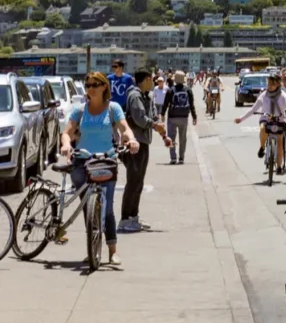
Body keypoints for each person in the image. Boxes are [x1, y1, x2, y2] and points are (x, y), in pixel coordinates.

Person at [59, 71, 141, 266]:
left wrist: (132, 139)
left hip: (105, 161)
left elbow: (124, 128)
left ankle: (112, 250)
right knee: (88, 207)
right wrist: (66, 144)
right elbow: (67, 132)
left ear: (104, 86)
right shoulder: (80, 110)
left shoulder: (113, 108)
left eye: (95, 85)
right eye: (88, 85)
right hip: (82, 162)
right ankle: (92, 247)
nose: (91, 89)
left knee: (107, 208)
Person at [120, 71, 171, 233]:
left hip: (143, 143)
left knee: (139, 182)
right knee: (133, 181)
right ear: (146, 80)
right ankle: (125, 219)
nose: (153, 82)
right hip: (134, 143)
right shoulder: (135, 96)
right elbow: (140, 119)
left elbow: (153, 117)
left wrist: (164, 136)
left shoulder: (146, 96)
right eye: (152, 79)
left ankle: (133, 216)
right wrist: (155, 126)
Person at [235, 73, 286, 171]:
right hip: (266, 118)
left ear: (278, 84)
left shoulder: (282, 95)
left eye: (272, 84)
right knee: (263, 127)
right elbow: (253, 109)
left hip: (279, 119)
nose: (270, 86)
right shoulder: (263, 95)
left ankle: (279, 166)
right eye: (268, 83)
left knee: (280, 141)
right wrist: (241, 119)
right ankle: (262, 147)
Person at [162, 71, 199, 165]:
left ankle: (173, 158)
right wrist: (194, 117)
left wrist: (162, 114)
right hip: (184, 117)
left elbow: (165, 103)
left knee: (171, 137)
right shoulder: (188, 90)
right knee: (182, 138)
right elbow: (191, 105)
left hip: (172, 117)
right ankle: (181, 157)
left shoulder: (171, 90)